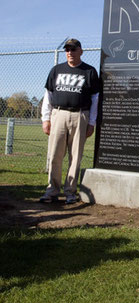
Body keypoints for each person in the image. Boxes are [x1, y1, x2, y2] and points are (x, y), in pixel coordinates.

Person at [39, 38, 100, 204]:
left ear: (81, 51)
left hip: (80, 116)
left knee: (75, 156)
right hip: (58, 114)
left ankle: (70, 192)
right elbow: (48, 96)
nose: (70, 52)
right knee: (55, 155)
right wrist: (46, 119)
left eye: (73, 49)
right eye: (67, 49)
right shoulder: (56, 70)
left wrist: (92, 122)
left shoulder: (89, 71)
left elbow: (95, 99)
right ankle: (52, 191)